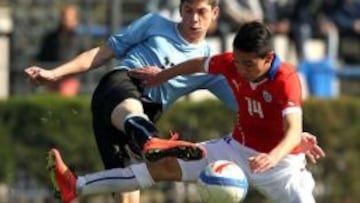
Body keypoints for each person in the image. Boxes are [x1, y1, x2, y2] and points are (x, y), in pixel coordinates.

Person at [46, 21, 325, 203]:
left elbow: (292, 131)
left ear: (269, 59)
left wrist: (272, 156)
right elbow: (195, 64)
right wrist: (162, 76)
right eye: (238, 61)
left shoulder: (286, 79)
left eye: (249, 64)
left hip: (281, 167)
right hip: (235, 150)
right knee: (161, 167)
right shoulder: (231, 63)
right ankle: (75, 184)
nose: (240, 69)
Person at [26, 1, 237, 203]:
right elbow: (102, 53)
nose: (194, 19)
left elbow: (243, 105)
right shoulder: (154, 23)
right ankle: (150, 139)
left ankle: (74, 184)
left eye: (201, 12)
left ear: (215, 13)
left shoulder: (210, 65)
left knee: (128, 188)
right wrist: (55, 74)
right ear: (180, 10)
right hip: (119, 86)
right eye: (188, 10)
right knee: (130, 108)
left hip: (144, 115)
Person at [36, 4, 82, 97]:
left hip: (69, 77)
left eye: (69, 17)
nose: (66, 20)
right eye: (64, 16)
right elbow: (43, 56)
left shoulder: (78, 39)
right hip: (52, 75)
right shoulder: (51, 38)